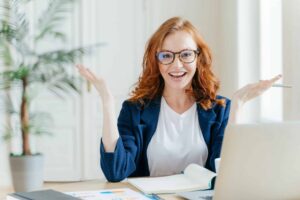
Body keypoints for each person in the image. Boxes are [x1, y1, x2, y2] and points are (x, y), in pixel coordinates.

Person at [76, 17, 281, 182]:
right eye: (166, 56)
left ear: (198, 58)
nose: (176, 65)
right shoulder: (135, 109)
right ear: (156, 61)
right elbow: (115, 172)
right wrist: (107, 101)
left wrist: (238, 104)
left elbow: (228, 172)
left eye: (185, 54)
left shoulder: (219, 108)